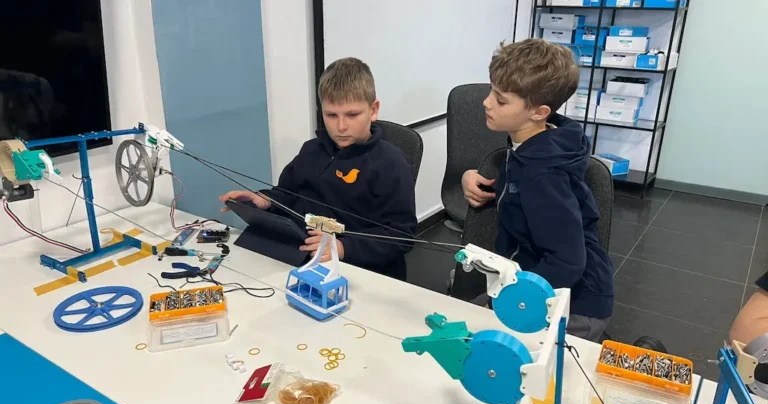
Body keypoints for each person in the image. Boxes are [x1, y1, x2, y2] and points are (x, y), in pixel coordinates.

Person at [460, 39, 614, 342]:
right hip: (534, 276)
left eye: (500, 100)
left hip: (575, 303)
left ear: (538, 112)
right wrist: (470, 176)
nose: (487, 103)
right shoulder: (533, 143)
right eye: (491, 91)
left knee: (476, 343)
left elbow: (568, 261)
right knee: (465, 323)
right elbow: (526, 199)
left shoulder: (544, 174)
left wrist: (509, 300)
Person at [219, 58, 417, 281]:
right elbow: (287, 195)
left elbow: (401, 235)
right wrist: (265, 200)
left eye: (352, 115)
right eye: (331, 115)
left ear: (373, 110)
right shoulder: (311, 150)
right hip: (302, 255)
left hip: (358, 268)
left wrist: (343, 248)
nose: (341, 126)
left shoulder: (391, 164)